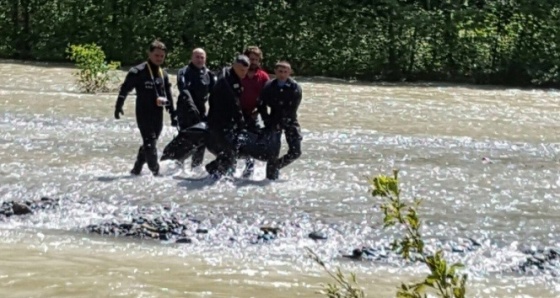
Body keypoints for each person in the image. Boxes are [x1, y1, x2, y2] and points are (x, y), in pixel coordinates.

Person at [114, 40, 176, 176]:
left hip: (158, 114)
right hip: (143, 112)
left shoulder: (163, 73)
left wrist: (172, 113)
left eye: (162, 56)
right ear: (149, 53)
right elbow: (125, 89)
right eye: (156, 55)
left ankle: (136, 169)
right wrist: (118, 106)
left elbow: (168, 94)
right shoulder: (137, 71)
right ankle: (156, 173)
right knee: (150, 143)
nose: (159, 58)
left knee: (151, 142)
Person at [204, 55, 250, 178]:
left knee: (232, 151)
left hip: (227, 122)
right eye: (241, 70)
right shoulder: (225, 81)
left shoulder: (231, 76)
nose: (244, 73)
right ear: (234, 66)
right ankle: (214, 171)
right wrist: (241, 124)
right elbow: (234, 104)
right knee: (229, 152)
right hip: (219, 122)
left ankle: (221, 174)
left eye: (246, 70)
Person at [257, 61, 302, 180]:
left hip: (290, 119)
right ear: (275, 72)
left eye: (285, 72)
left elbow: (293, 108)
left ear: (290, 73)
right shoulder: (269, 86)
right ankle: (270, 178)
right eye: (280, 71)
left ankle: (276, 166)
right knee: (273, 152)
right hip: (273, 119)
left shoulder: (295, 87)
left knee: (296, 152)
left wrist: (284, 122)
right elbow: (261, 105)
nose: (282, 74)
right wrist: (266, 119)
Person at [175, 48, 217, 169]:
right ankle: (178, 166)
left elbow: (215, 95)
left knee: (201, 141)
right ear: (192, 57)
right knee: (185, 140)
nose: (199, 60)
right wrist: (191, 106)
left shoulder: (209, 74)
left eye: (202, 57)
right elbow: (184, 90)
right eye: (197, 57)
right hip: (185, 111)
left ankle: (195, 168)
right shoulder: (183, 72)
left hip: (201, 112)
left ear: (205, 59)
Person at [238, 46, 270, 178]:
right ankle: (230, 166)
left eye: (256, 59)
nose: (254, 62)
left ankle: (249, 168)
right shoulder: (238, 73)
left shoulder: (263, 76)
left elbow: (268, 97)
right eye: (251, 59)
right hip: (236, 113)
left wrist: (257, 112)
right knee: (234, 140)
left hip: (253, 113)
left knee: (252, 140)